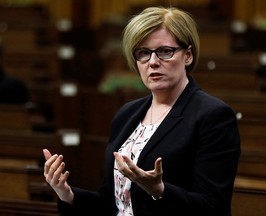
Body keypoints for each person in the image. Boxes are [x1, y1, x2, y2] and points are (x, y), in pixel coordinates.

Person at [43, 6, 241, 216]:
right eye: (143, 53)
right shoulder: (127, 114)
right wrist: (67, 194)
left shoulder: (213, 116)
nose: (153, 62)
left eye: (165, 51)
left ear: (188, 55)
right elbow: (112, 202)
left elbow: (213, 207)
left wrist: (160, 190)